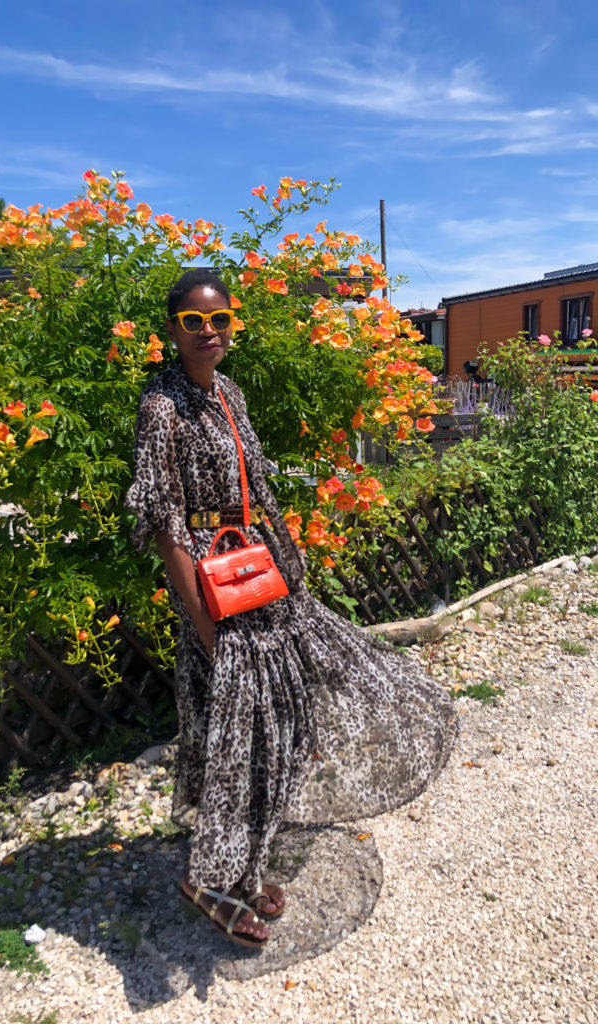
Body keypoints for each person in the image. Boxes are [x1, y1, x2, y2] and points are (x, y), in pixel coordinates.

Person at [125, 269, 458, 948]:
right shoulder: (161, 408)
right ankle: (208, 879)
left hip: (261, 576)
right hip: (215, 592)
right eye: (195, 322)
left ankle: (243, 869)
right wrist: (204, 625)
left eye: (221, 321)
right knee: (238, 741)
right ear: (172, 330)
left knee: (280, 728)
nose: (210, 333)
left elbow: (258, 490)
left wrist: (290, 566)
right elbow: (164, 523)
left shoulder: (230, 395)